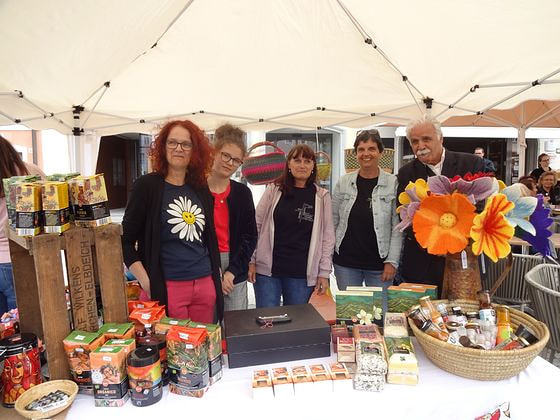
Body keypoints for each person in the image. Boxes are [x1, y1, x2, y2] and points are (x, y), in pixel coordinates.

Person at [121, 120, 223, 323]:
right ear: (163, 146)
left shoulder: (200, 188)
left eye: (186, 144)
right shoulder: (146, 186)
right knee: (171, 343)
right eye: (172, 142)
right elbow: (125, 241)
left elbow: (209, 236)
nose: (178, 148)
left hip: (204, 284)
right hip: (167, 287)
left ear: (195, 151)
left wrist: (215, 274)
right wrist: (146, 281)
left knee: (202, 340)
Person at [397, 115, 484, 294]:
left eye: (426, 139)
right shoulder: (406, 173)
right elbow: (404, 215)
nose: (420, 146)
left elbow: (482, 208)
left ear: (441, 138)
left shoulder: (471, 163)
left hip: (463, 262)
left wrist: (455, 241)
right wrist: (433, 243)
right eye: (415, 141)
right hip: (421, 264)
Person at [248, 144, 335, 308]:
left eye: (307, 161)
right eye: (297, 160)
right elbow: (256, 225)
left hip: (301, 275)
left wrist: (324, 272)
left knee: (297, 321)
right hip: (267, 272)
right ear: (288, 164)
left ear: (313, 166)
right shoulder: (273, 190)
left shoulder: (322, 197)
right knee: (267, 319)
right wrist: (251, 260)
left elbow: (328, 238)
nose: (302, 165)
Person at [331, 130, 402, 313]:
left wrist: (392, 261)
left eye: (371, 148)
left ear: (380, 152)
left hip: (380, 264)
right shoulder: (344, 182)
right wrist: (328, 256)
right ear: (356, 154)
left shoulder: (393, 183)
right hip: (346, 262)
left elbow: (398, 227)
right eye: (361, 149)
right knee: (351, 315)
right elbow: (333, 220)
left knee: (380, 316)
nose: (366, 153)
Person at [207, 124, 257, 311]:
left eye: (236, 160)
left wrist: (232, 272)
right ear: (214, 153)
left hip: (235, 265)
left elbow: (250, 236)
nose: (229, 163)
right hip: (204, 266)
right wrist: (215, 272)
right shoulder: (197, 191)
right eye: (225, 155)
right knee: (207, 322)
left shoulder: (242, 193)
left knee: (236, 322)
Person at [0, 135, 44, 316]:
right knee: (25, 320)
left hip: (8, 258)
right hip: (20, 255)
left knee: (5, 326)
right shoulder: (29, 172)